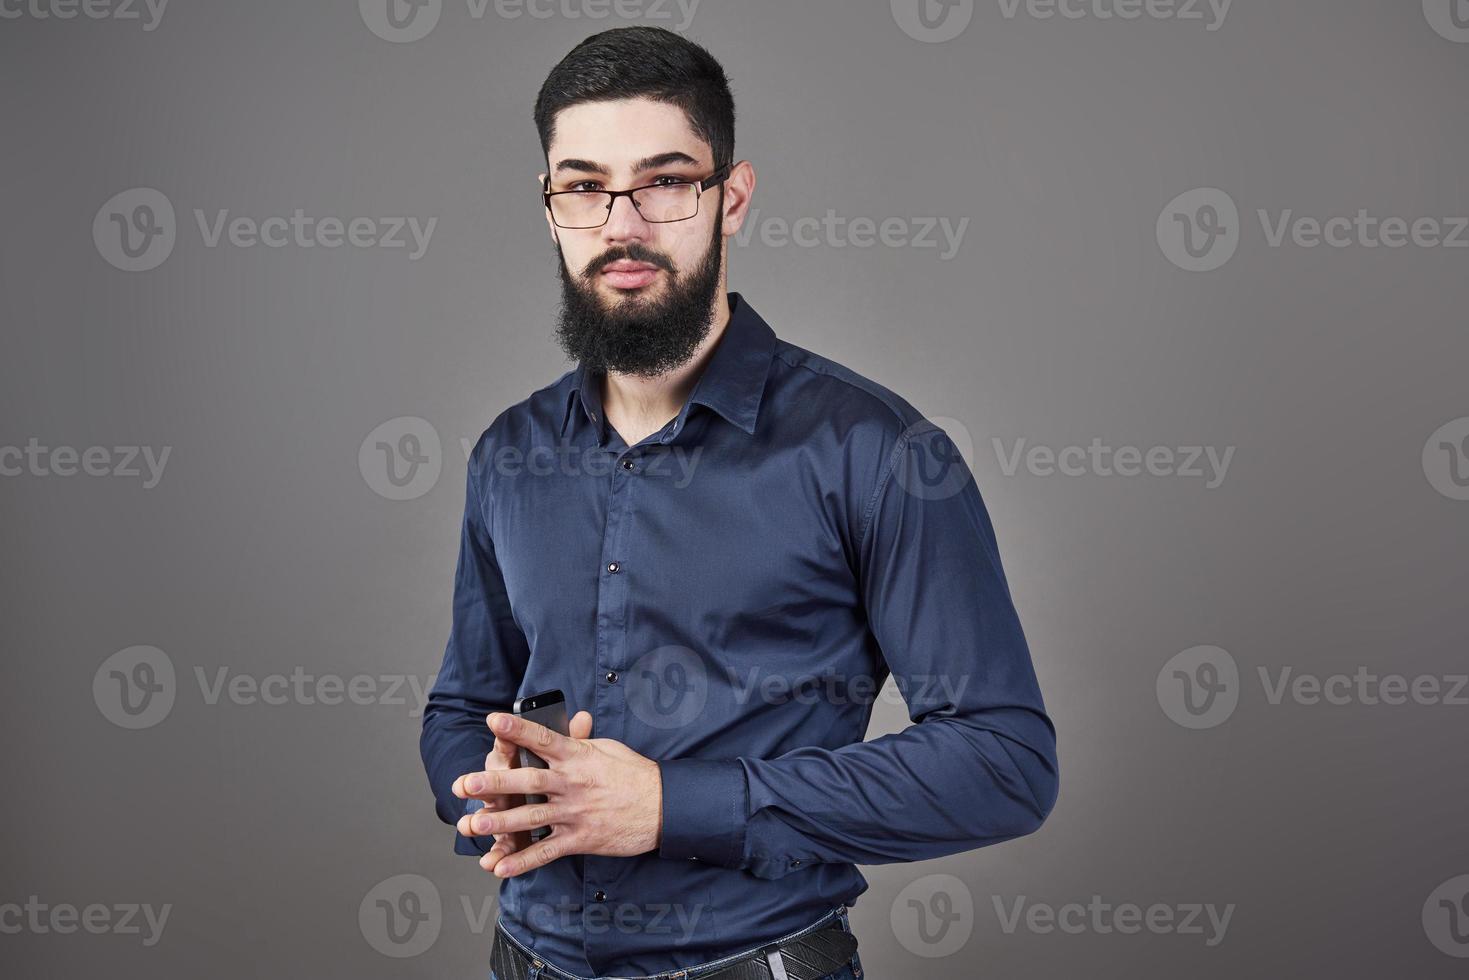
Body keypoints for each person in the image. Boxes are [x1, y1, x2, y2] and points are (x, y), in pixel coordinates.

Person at [420, 25, 1059, 980]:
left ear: (733, 197)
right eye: (584, 186)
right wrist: (492, 788)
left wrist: (673, 806)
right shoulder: (508, 454)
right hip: (523, 961)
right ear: (550, 208)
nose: (621, 224)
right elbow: (460, 709)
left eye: (666, 180)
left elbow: (1003, 762)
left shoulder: (877, 453)